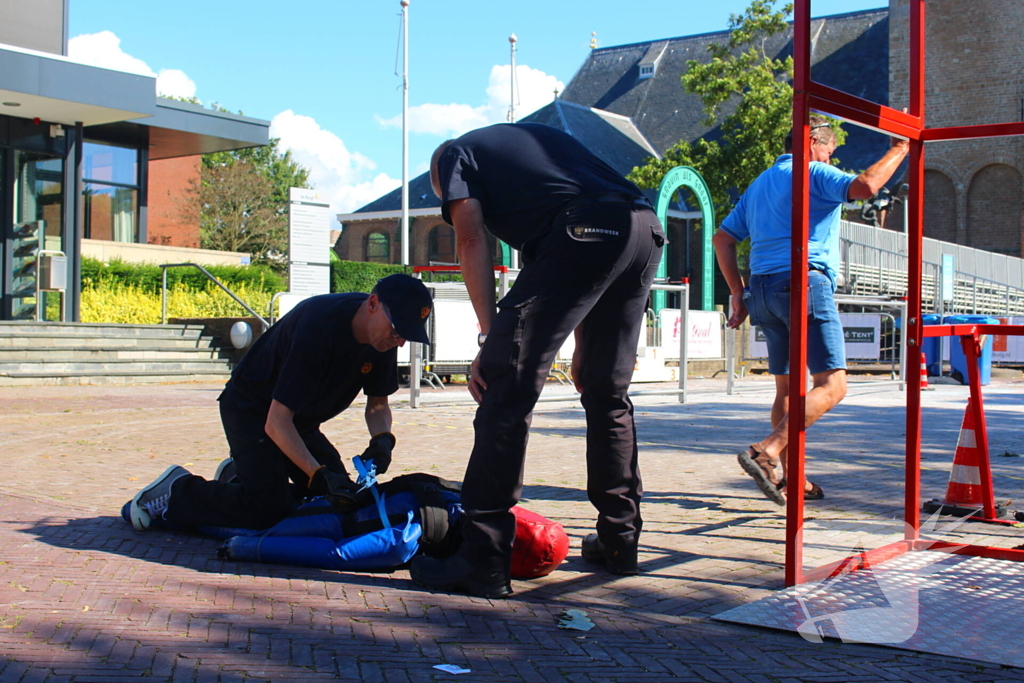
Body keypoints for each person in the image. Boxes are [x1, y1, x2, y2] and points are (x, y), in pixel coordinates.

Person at [410, 122, 665, 598]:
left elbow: (470, 240)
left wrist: (490, 337)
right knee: (606, 389)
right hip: (644, 227)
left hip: (587, 226)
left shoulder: (454, 157)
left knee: (505, 386)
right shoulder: (521, 148)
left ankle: (482, 559)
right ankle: (620, 540)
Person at [126, 274, 433, 531]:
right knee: (267, 511)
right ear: (373, 304)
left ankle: (242, 478)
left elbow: (378, 405)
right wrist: (318, 474)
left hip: (300, 422)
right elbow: (276, 422)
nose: (401, 340)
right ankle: (177, 491)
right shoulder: (319, 328)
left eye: (407, 334)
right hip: (252, 411)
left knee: (339, 501)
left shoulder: (383, 339)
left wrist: (382, 440)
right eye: (397, 329)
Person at [713, 115, 909, 505]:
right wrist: (900, 148)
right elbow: (867, 186)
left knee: (787, 388)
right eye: (830, 152)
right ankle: (764, 451)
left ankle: (793, 477)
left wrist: (738, 293)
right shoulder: (814, 171)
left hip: (764, 290)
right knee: (832, 386)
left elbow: (723, 239)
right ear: (813, 144)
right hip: (804, 283)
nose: (832, 160)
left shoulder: (760, 183)